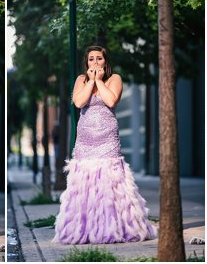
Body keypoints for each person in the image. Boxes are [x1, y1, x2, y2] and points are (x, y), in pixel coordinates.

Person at [53, 46, 157, 244]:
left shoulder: (114, 79)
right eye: (91, 58)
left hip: (107, 141)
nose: (94, 62)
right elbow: (78, 102)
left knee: (110, 186)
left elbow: (111, 100)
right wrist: (91, 80)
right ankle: (86, 229)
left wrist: (99, 81)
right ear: (86, 63)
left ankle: (116, 228)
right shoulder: (81, 80)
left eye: (98, 58)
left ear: (105, 62)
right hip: (85, 141)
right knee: (85, 185)